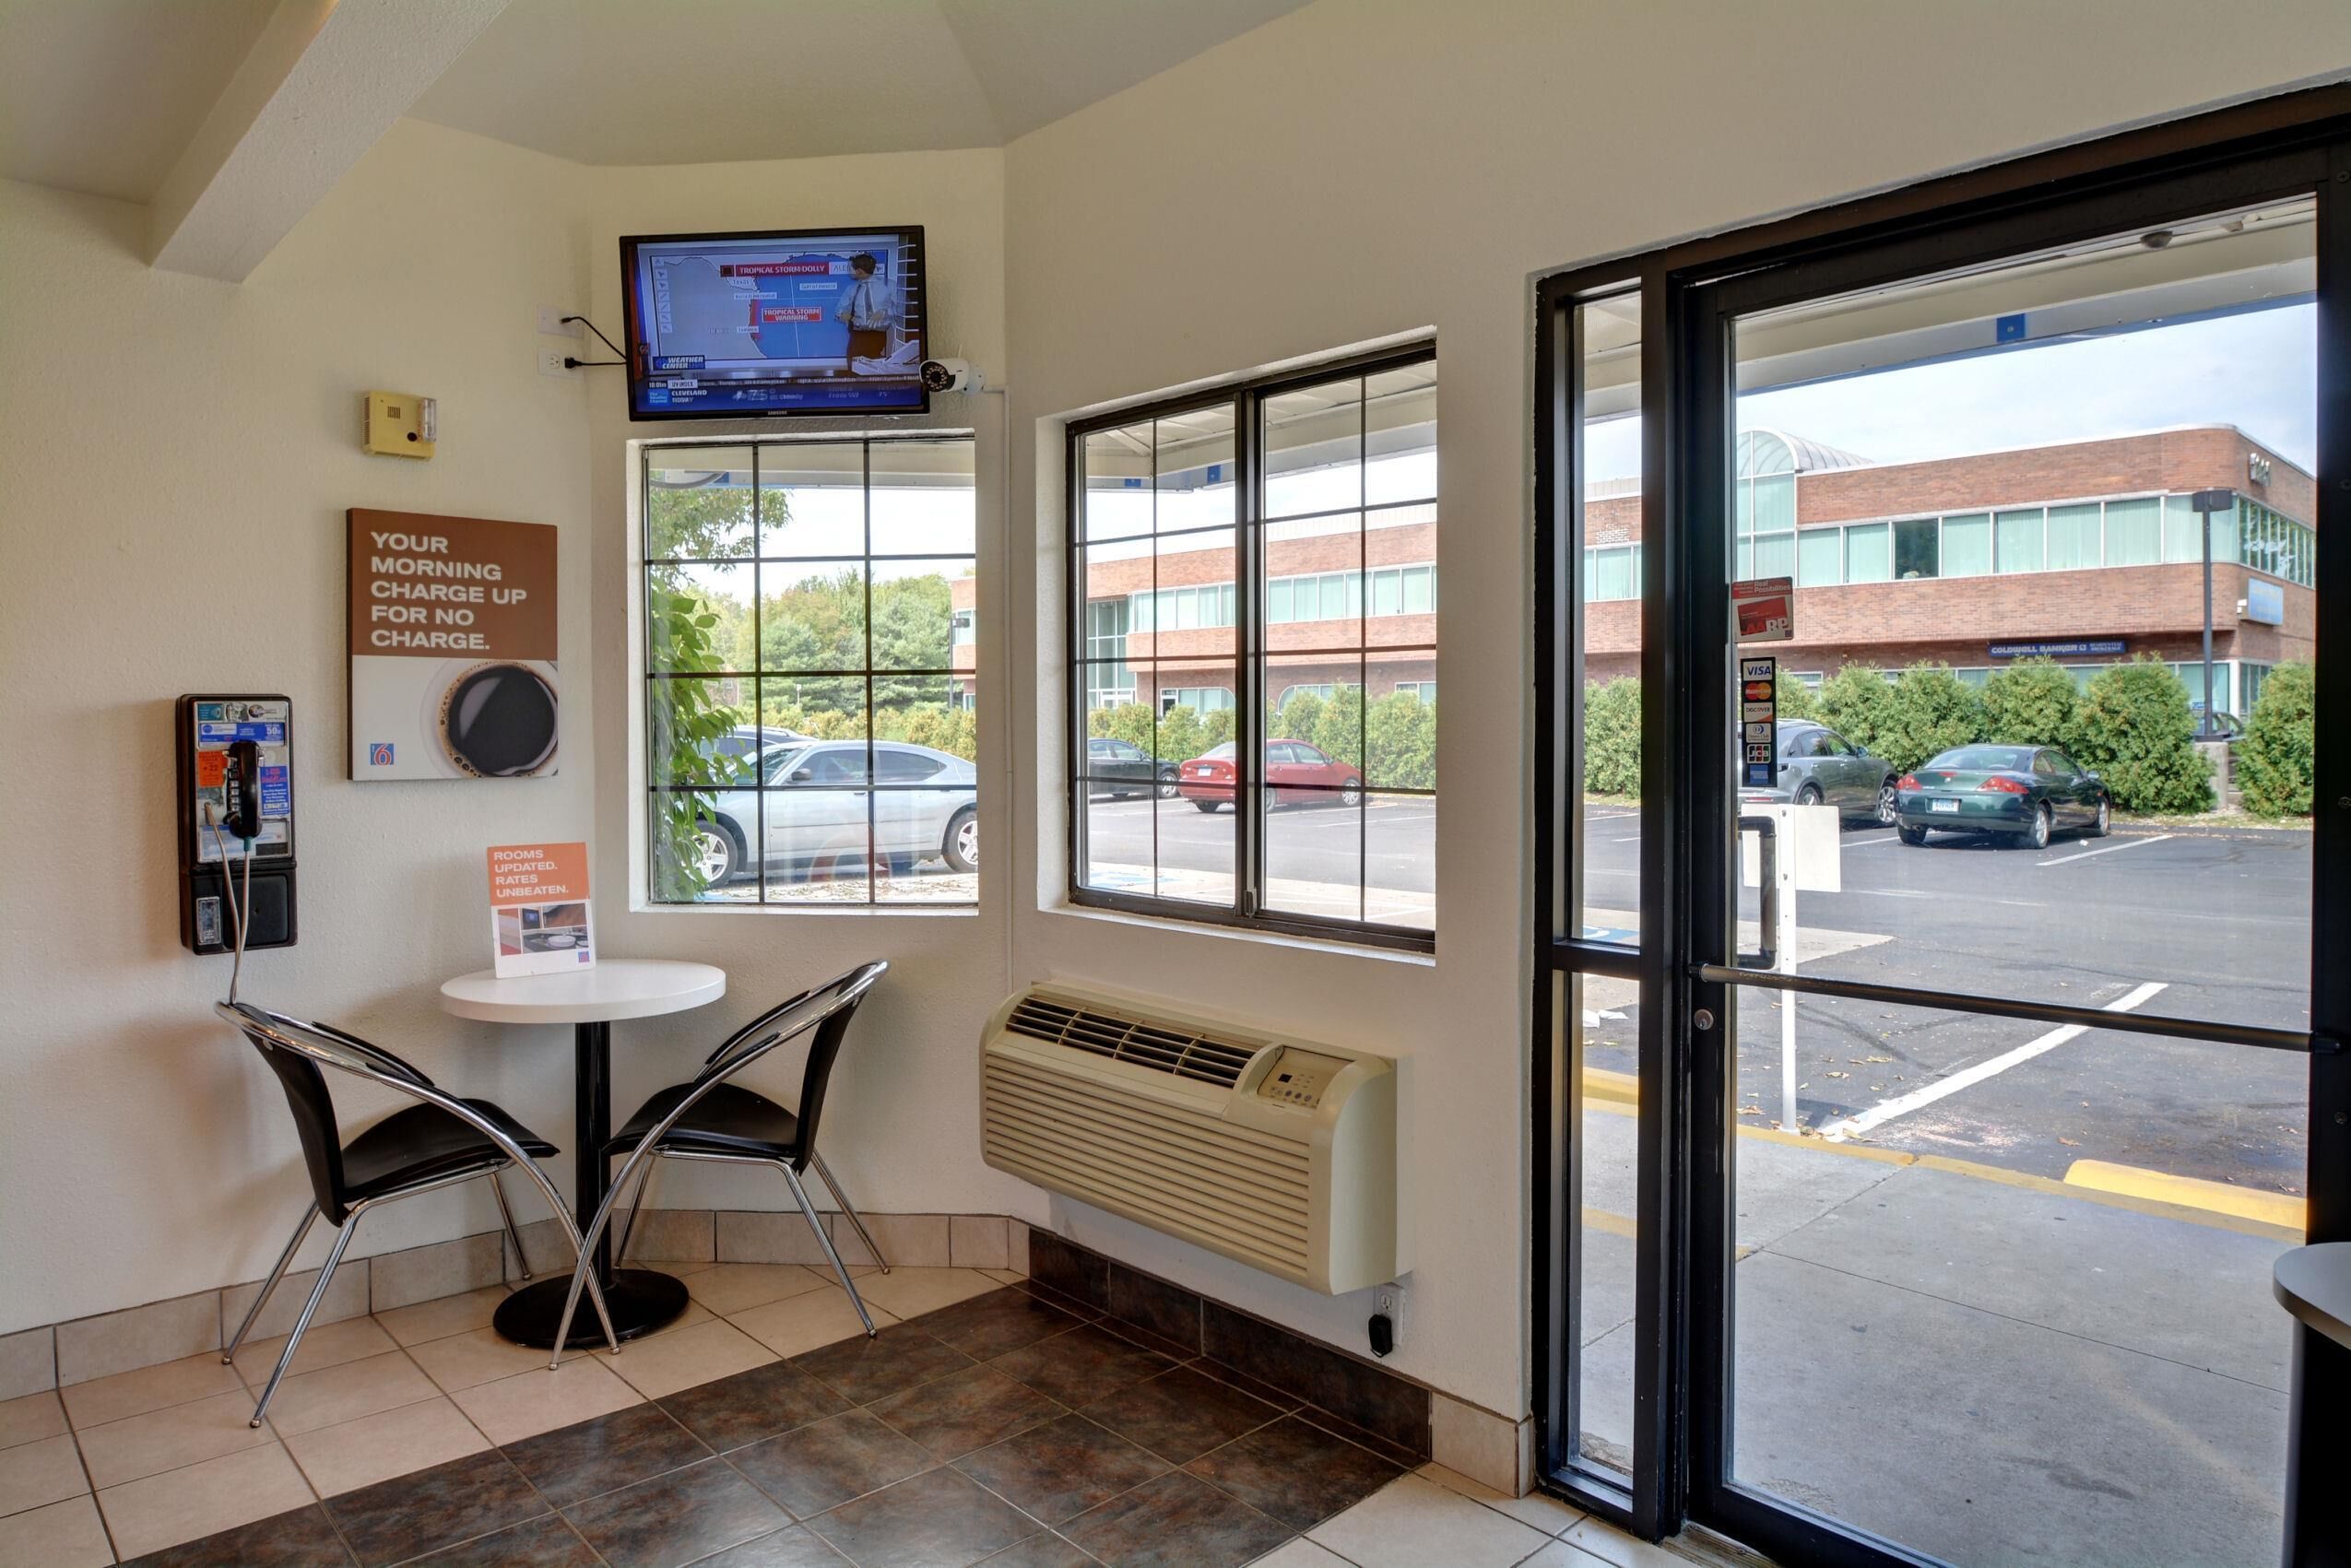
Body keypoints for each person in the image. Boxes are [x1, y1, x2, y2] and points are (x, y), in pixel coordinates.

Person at [834, 253, 894, 368]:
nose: (848, 271)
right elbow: (838, 310)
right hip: (856, 337)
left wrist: (885, 313)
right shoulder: (851, 289)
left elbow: (904, 310)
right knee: (854, 371)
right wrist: (842, 314)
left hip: (878, 337)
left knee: (874, 373)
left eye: (849, 268)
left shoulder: (889, 286)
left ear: (859, 271)